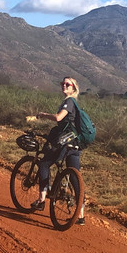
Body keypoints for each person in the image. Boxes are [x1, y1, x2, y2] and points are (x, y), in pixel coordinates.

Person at [33, 76, 86, 224]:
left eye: (67, 84)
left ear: (73, 88)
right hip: (76, 144)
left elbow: (58, 118)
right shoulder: (74, 104)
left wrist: (43, 115)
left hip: (65, 143)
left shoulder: (69, 102)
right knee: (75, 177)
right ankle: (80, 216)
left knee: (44, 163)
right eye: (62, 83)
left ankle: (41, 200)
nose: (64, 85)